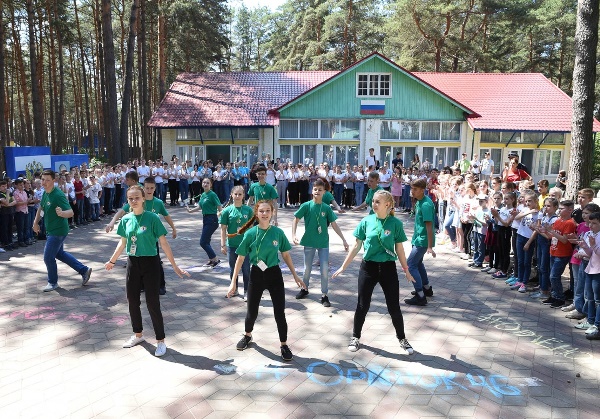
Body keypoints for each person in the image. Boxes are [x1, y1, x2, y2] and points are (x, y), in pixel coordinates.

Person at [104, 185, 189, 357]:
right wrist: (112, 260)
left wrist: (175, 266)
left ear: (143, 198)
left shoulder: (152, 218)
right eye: (130, 199)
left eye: (137, 198)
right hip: (133, 263)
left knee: (152, 302)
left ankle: (161, 340)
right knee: (132, 300)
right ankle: (138, 335)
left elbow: (164, 243)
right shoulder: (126, 219)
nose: (134, 201)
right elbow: (122, 242)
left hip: (151, 263)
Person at [332, 190, 415, 355]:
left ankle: (402, 339)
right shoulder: (366, 221)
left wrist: (406, 270)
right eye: (373, 201)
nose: (374, 204)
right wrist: (343, 266)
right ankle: (355, 337)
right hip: (368, 268)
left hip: (388, 269)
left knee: (394, 307)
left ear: (387, 205)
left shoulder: (395, 224)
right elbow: (356, 246)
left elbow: (399, 249)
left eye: (378, 202)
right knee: (362, 305)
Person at [226, 200, 306, 361]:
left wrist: (295, 276)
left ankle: (284, 345)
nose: (264, 214)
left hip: (274, 275)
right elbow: (240, 259)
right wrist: (233, 282)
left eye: (267, 211)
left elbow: (286, 255)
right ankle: (248, 335)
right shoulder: (250, 233)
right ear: (256, 213)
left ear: (272, 213)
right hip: (256, 274)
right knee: (252, 311)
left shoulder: (277, 232)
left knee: (279, 312)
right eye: (261, 211)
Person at [33, 170, 93, 292]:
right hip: (51, 229)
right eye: (43, 179)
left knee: (48, 257)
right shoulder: (46, 193)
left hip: (58, 231)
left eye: (47, 180)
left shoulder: (58, 195)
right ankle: (84, 270)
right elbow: (41, 208)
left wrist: (62, 213)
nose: (44, 182)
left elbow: (70, 212)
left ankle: (52, 282)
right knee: (59, 253)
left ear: (53, 181)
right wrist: (35, 222)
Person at [292, 179, 349, 307]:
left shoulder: (326, 208)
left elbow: (334, 225)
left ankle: (324, 295)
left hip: (323, 243)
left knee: (324, 269)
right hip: (309, 241)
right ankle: (304, 289)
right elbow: (295, 219)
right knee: (307, 269)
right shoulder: (306, 205)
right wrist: (294, 234)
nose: (317, 191)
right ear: (312, 191)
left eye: (320, 190)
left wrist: (344, 240)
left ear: (324, 192)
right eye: (315, 189)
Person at [405, 178, 436, 305]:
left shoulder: (426, 204)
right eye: (412, 188)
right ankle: (426, 289)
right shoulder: (419, 201)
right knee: (418, 264)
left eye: (415, 189)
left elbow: (429, 226)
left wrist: (429, 246)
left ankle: (420, 295)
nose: (412, 191)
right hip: (417, 238)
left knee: (410, 265)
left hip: (422, 241)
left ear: (422, 190)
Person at [220, 186, 254, 301]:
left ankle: (247, 291)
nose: (238, 196)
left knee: (246, 269)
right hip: (232, 244)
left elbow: (251, 229)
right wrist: (223, 244)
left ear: (244, 195)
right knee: (232, 269)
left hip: (245, 245)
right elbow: (223, 229)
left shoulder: (248, 210)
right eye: (236, 194)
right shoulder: (227, 210)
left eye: (240, 194)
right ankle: (234, 289)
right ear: (232, 195)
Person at [187, 178, 223, 267]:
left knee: (203, 242)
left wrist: (219, 216)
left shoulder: (212, 195)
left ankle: (215, 259)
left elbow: (219, 206)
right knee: (206, 241)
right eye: (204, 182)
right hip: (205, 218)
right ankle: (212, 260)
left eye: (207, 183)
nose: (205, 184)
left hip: (212, 219)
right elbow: (200, 206)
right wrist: (190, 211)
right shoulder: (203, 194)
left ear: (210, 185)